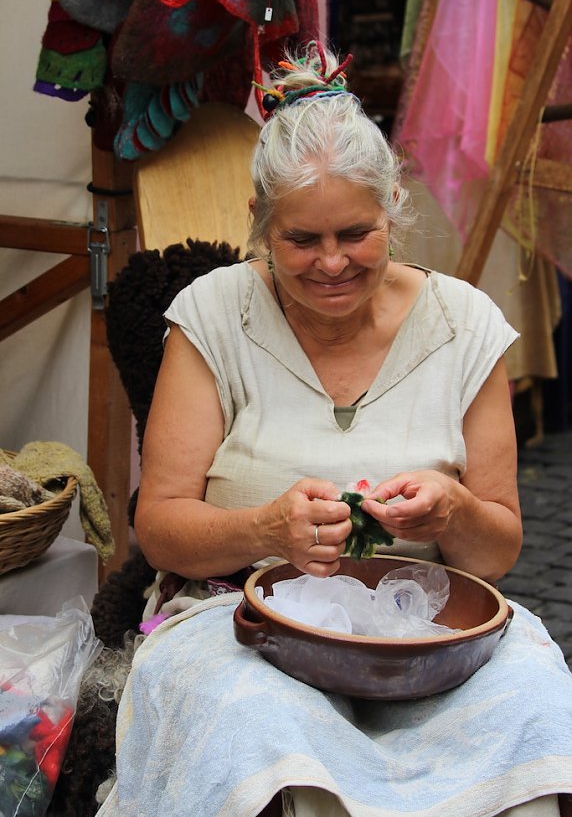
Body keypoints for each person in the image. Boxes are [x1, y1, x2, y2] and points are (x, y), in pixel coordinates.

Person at [96, 43, 572, 817]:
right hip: (241, 618)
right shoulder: (213, 315)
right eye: (300, 240)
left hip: (427, 629)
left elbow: (497, 554)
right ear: (259, 220)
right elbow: (161, 530)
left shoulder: (465, 327)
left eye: (355, 234)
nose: (330, 264)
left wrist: (453, 511)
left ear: (393, 206)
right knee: (258, 724)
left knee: (532, 697)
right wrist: (265, 529)